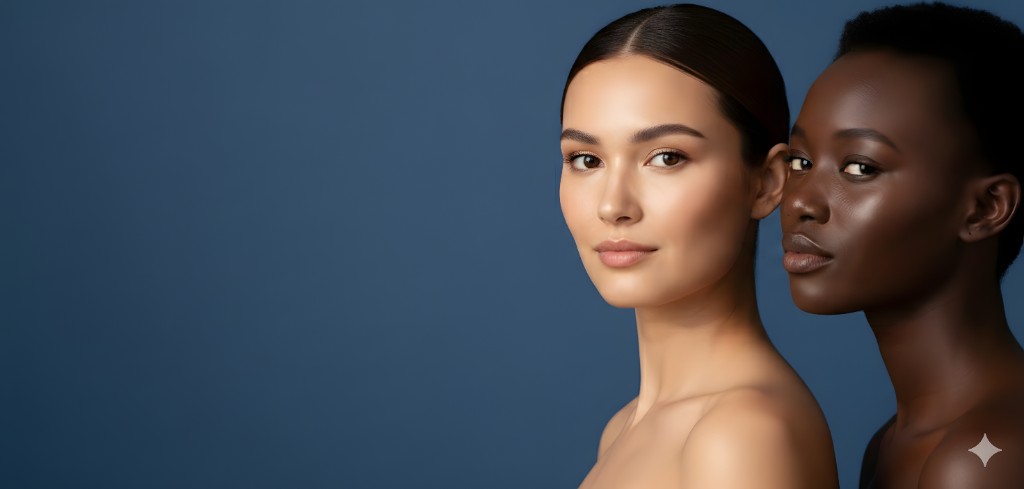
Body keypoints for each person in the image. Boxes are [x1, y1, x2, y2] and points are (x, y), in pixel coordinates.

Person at [559, 4, 839, 488]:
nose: (613, 205)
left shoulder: (743, 436)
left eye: (666, 157)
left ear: (767, 183)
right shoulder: (625, 428)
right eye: (586, 159)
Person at [780, 3, 1024, 488]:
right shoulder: (894, 444)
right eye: (801, 161)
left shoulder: (985, 456)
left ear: (985, 207)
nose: (800, 201)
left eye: (860, 168)